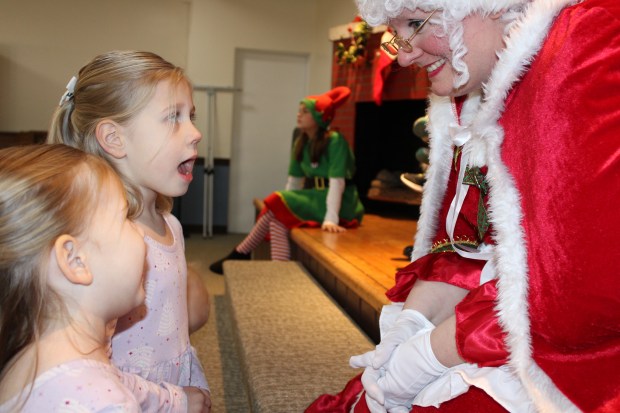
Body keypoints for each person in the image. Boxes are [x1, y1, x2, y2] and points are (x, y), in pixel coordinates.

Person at [307, 0, 620, 412]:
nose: (403, 55)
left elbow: (580, 296)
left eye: (416, 23)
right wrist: (411, 327)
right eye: (397, 34)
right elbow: (465, 250)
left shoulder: (586, 42)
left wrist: (430, 353)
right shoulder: (475, 87)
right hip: (507, 323)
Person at [47, 51, 211, 410]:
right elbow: (90, 364)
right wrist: (176, 400)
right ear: (114, 139)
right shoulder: (108, 243)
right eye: (174, 118)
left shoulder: (170, 224)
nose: (196, 132)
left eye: (191, 116)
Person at [0, 144, 208, 412]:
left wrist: (175, 402)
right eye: (125, 218)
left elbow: (118, 380)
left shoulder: (38, 357)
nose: (141, 235)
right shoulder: (104, 403)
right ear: (75, 260)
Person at [209, 86, 365, 275]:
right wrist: (284, 207)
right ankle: (278, 269)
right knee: (277, 215)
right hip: (316, 198)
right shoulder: (302, 142)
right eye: (299, 111)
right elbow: (294, 182)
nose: (299, 115)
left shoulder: (335, 140)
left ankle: (241, 252)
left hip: (342, 202)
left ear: (320, 117)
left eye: (305, 111)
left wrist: (331, 219)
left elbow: (337, 183)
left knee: (276, 204)